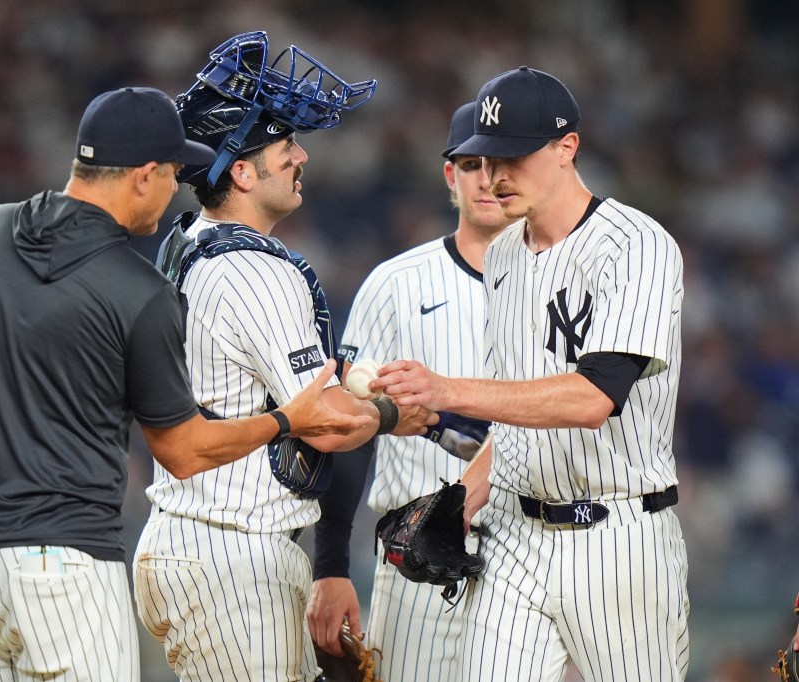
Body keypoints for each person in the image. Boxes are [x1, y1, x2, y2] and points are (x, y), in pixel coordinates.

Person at [0, 86, 372, 682]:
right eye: (172, 172)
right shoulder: (136, 290)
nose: (178, 184)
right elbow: (183, 452)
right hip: (64, 567)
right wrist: (285, 420)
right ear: (142, 175)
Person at [131, 32, 434, 682]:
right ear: (241, 170)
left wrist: (355, 375)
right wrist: (391, 413)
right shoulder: (255, 269)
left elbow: (285, 378)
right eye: (283, 146)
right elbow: (324, 421)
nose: (300, 157)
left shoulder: (190, 241)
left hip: (197, 542)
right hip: (231, 556)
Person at [371, 66, 690, 682]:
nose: (493, 177)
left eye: (512, 157)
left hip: (618, 536)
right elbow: (517, 417)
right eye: (486, 159)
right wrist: (462, 500)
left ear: (567, 147)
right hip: (515, 534)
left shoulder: (636, 246)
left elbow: (593, 397)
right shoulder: (506, 255)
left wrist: (445, 388)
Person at [305, 101, 512, 681]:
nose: (487, 178)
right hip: (416, 553)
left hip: (531, 548)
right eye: (470, 163)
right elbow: (345, 433)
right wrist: (330, 564)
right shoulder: (396, 285)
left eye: (501, 163)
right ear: (450, 174)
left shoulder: (564, 285)